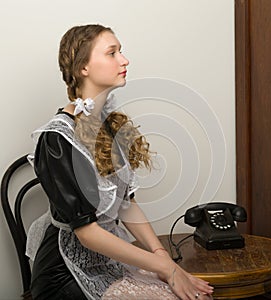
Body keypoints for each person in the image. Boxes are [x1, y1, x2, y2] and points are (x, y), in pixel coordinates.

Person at [26, 24, 214, 300]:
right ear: (83, 68)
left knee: (198, 295)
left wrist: (163, 256)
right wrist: (163, 267)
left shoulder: (108, 124)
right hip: (65, 272)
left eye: (121, 52)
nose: (124, 60)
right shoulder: (57, 139)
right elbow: (87, 234)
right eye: (112, 53)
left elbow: (125, 204)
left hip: (108, 259)